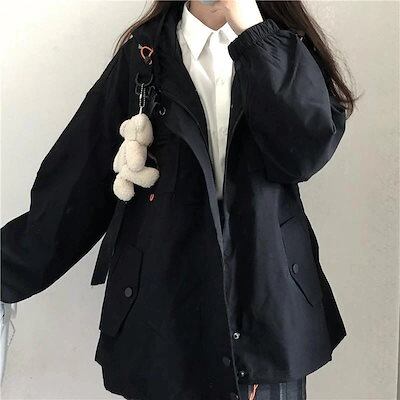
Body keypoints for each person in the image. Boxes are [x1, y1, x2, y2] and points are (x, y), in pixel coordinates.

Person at [1, 1, 357, 399]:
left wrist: (255, 34)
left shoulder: (285, 48)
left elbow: (305, 153)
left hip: (266, 322)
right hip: (163, 324)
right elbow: (76, 187)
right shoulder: (144, 54)